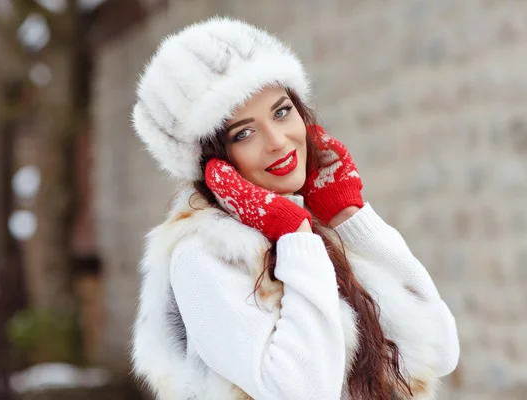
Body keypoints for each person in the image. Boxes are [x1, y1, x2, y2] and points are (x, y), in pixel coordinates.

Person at [130, 17, 459, 400]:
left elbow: (441, 351)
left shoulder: (319, 229)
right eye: (244, 133)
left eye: (282, 112)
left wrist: (350, 218)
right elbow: (302, 391)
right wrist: (294, 236)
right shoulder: (204, 256)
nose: (277, 141)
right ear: (211, 159)